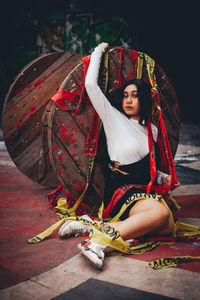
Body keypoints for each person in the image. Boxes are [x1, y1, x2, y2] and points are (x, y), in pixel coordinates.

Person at [58, 42, 180, 269]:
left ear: (144, 99)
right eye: (125, 95)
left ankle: (92, 226)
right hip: (121, 193)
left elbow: (145, 167)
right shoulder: (114, 118)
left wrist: (164, 178)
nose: (128, 100)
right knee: (160, 214)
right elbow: (90, 85)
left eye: (134, 95)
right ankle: (96, 242)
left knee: (167, 226)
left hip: (142, 192)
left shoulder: (151, 130)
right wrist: (98, 51)